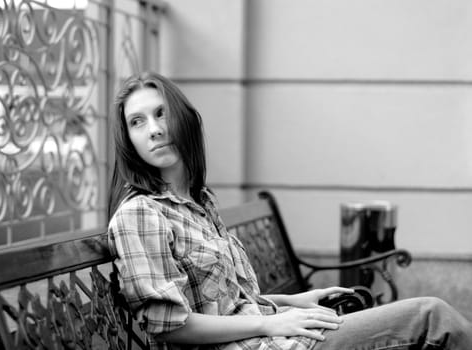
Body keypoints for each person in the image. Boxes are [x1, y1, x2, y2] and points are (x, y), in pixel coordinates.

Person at [107, 71, 472, 350]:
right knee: (431, 317)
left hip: (273, 336)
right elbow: (170, 323)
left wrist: (290, 302)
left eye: (161, 113)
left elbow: (230, 303)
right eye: (137, 122)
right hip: (262, 343)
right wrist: (270, 324)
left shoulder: (200, 203)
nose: (154, 129)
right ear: (129, 140)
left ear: (184, 119)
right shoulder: (140, 214)